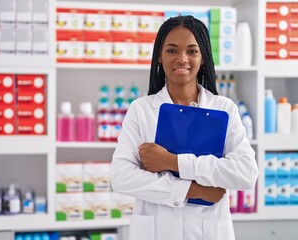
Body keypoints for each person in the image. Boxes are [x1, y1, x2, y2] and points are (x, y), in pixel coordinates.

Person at [110, 15, 259, 240]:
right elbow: (121, 177)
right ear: (159, 56)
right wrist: (194, 190)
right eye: (171, 50)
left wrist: (172, 162)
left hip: (207, 232)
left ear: (203, 58)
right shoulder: (141, 110)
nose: (182, 59)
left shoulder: (224, 109)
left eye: (192, 51)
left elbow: (246, 173)